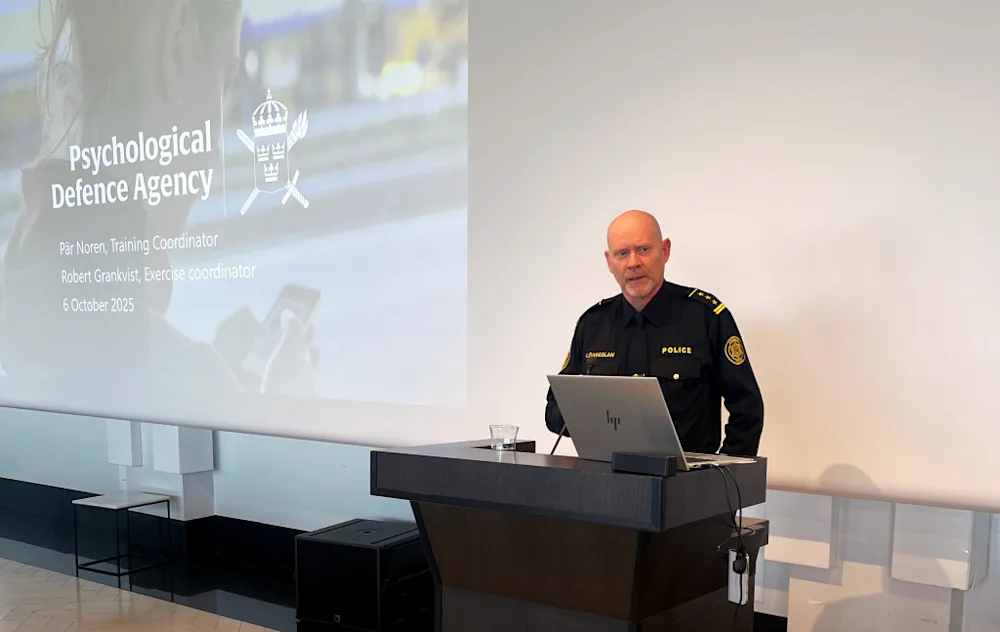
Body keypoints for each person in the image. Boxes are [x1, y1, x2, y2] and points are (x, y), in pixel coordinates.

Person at [0, 0, 314, 398]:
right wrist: (282, 404)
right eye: (223, 84)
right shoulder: (181, 376)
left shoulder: (29, 272)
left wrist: (214, 373)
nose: (214, 153)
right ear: (178, 42)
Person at [545, 210, 764, 457]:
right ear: (609, 262)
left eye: (644, 250)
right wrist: (589, 414)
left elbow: (747, 407)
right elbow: (555, 409)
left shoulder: (706, 317)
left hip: (685, 477)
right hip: (604, 475)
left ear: (665, 251)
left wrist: (723, 471)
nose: (633, 262)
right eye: (622, 253)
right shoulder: (593, 323)